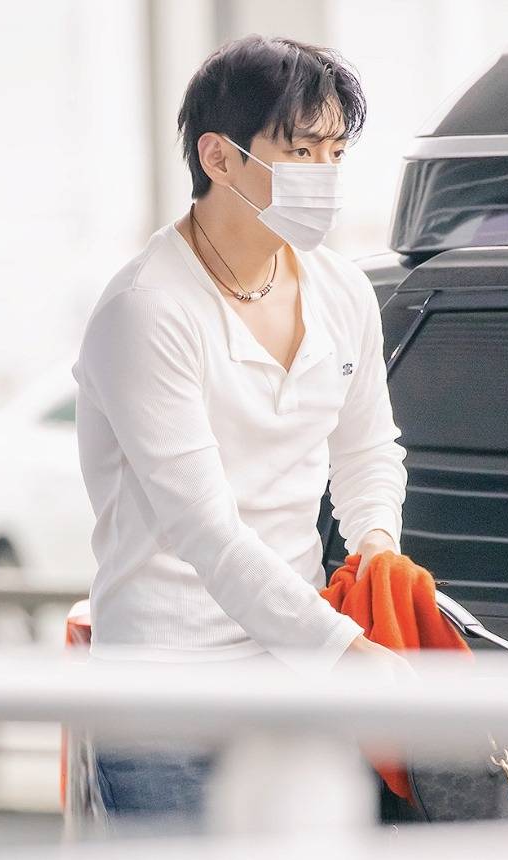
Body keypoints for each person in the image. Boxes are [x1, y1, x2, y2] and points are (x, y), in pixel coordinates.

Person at [72, 33, 411, 828]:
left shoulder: (342, 291)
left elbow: (367, 450)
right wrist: (344, 650)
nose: (324, 175)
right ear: (219, 157)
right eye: (301, 151)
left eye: (336, 153)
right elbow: (208, 532)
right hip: (166, 692)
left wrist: (376, 546)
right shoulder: (147, 309)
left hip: (297, 675)